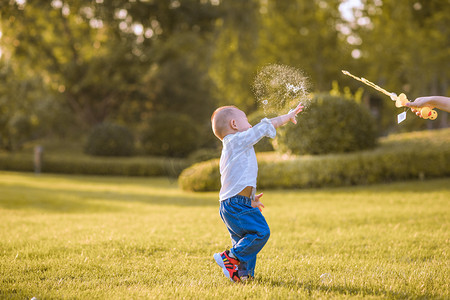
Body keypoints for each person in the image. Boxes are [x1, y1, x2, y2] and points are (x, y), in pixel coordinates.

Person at [211, 103, 304, 283]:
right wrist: (287, 116)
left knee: (246, 240)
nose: (250, 123)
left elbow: (237, 177)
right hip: (235, 204)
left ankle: (242, 275)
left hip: (234, 203)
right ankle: (230, 257)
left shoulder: (234, 146)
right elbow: (265, 126)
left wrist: (250, 200)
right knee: (261, 232)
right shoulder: (236, 141)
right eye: (245, 119)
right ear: (234, 124)